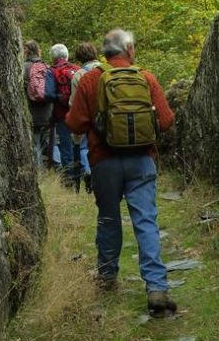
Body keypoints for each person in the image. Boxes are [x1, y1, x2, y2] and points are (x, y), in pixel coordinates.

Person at [66, 28, 178, 318]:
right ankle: (156, 288)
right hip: (142, 160)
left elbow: (75, 124)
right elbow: (165, 121)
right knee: (146, 221)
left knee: (108, 218)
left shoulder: (91, 80)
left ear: (105, 52)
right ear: (129, 50)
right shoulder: (146, 77)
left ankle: (107, 276)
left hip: (104, 161)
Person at [68, 41, 100, 192]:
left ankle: (88, 171)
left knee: (83, 146)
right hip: (106, 118)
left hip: (87, 118)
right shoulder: (106, 70)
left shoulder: (79, 75)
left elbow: (73, 102)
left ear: (79, 57)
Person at [48, 43, 80, 184]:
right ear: (66, 55)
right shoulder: (77, 70)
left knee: (65, 147)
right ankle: (83, 173)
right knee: (82, 146)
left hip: (61, 115)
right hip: (79, 114)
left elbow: (48, 94)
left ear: (53, 57)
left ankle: (69, 179)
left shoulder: (51, 71)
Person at [23, 40, 55, 167]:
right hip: (48, 110)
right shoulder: (46, 67)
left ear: (26, 51)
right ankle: (54, 171)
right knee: (47, 143)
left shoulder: (24, 67)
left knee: (35, 143)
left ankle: (39, 172)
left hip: (32, 111)